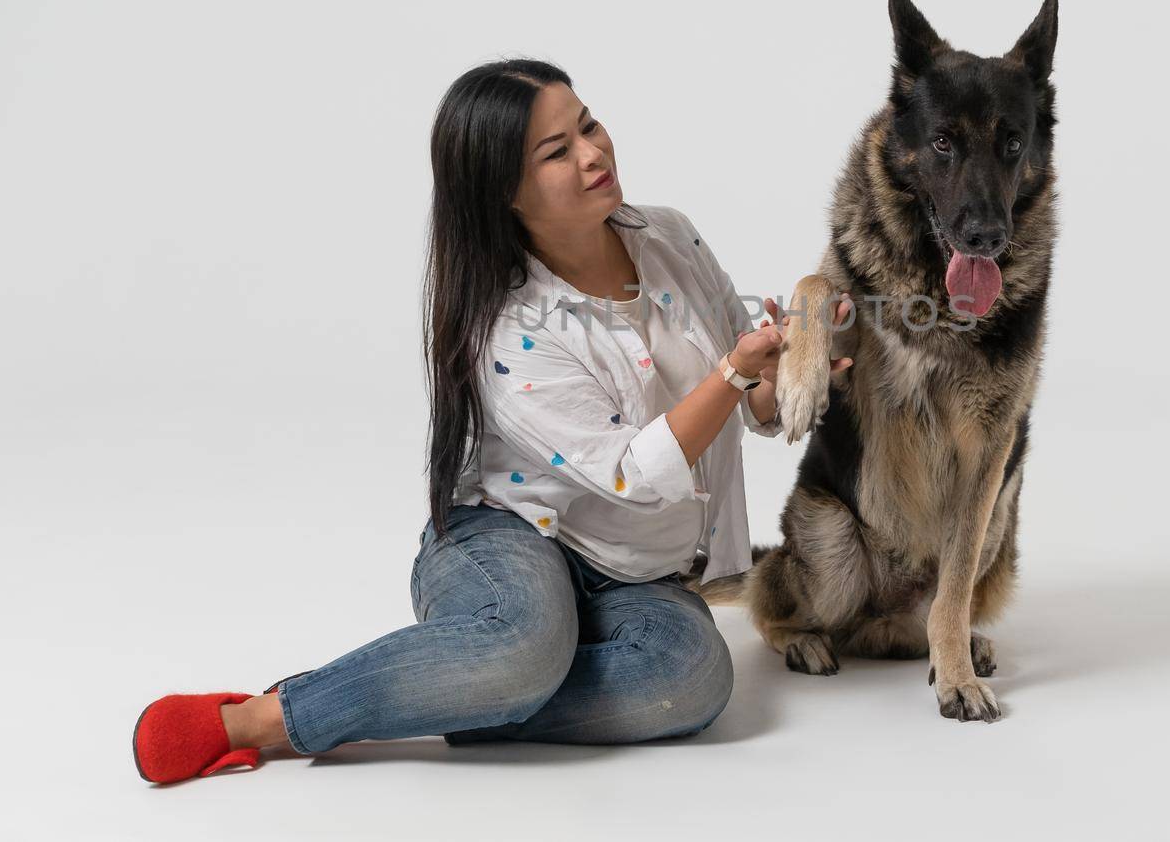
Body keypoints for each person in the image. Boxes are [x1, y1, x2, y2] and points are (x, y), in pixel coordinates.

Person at [131, 58, 854, 783]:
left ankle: (474, 690)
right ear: (504, 193)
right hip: (512, 535)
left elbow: (748, 402)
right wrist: (733, 371)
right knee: (525, 645)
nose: (594, 152)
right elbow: (635, 471)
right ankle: (267, 717)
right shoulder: (510, 327)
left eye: (589, 124)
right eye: (557, 151)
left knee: (690, 677)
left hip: (636, 569)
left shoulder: (672, 237)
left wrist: (792, 373)